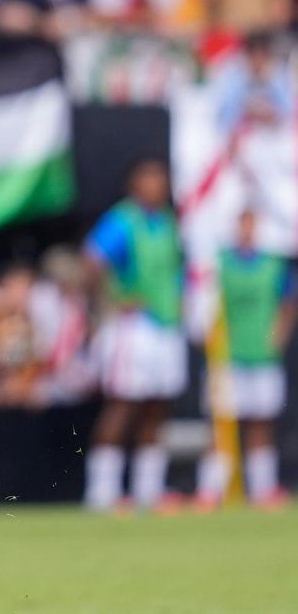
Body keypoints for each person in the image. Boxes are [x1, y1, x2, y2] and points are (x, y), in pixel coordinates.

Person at [83, 158, 186, 513]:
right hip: (134, 326)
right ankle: (102, 491)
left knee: (157, 406)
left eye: (161, 178)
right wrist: (113, 298)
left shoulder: (169, 221)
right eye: (149, 178)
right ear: (134, 184)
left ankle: (148, 490)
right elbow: (92, 259)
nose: (156, 185)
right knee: (124, 404)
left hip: (166, 323)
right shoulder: (123, 220)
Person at [197, 209, 296, 509]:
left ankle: (263, 488)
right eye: (243, 223)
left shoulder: (273, 265)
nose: (247, 230)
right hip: (227, 356)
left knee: (261, 421)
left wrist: (279, 335)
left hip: (262, 355)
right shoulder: (219, 264)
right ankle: (209, 489)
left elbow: (288, 302)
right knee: (222, 423)